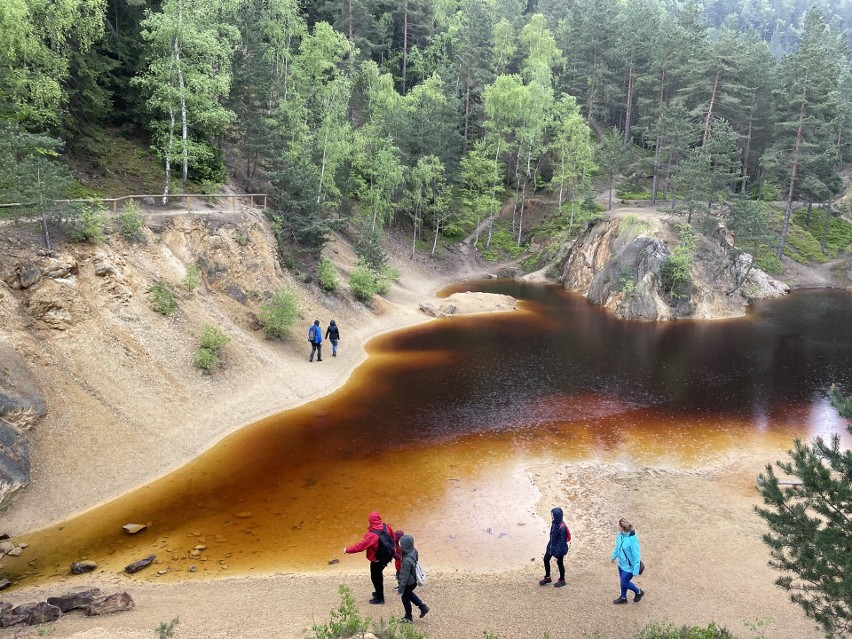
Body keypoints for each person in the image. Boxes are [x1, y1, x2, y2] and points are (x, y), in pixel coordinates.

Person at [343, 511, 396, 604]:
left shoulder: (372, 535)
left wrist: (347, 550)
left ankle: (380, 598)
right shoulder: (386, 526)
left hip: (377, 559)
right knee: (378, 575)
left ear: (370, 521)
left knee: (375, 577)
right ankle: (378, 593)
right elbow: (393, 537)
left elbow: (360, 546)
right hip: (387, 555)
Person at [610, 517, 644, 604]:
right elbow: (617, 547)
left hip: (629, 567)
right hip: (621, 564)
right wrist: (614, 557)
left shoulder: (633, 540)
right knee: (622, 581)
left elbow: (637, 557)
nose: (617, 526)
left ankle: (638, 592)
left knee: (624, 582)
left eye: (618, 525)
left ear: (622, 527)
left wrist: (635, 571)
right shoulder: (620, 535)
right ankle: (623, 597)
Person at [397, 534, 429, 623]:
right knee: (409, 594)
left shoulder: (406, 560)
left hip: (409, 582)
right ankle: (423, 607)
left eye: (401, 546)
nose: (400, 547)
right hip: (414, 580)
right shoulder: (414, 550)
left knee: (405, 598)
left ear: (405, 546)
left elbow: (405, 576)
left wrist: (400, 588)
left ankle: (408, 617)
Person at [539, 507, 571, 587]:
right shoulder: (554, 522)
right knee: (546, 559)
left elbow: (561, 542)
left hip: (559, 549)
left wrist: (557, 553)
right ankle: (547, 577)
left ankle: (562, 580)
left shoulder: (562, 528)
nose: (551, 517)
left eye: (552, 515)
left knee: (560, 563)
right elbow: (552, 535)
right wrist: (550, 546)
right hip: (552, 546)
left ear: (557, 516)